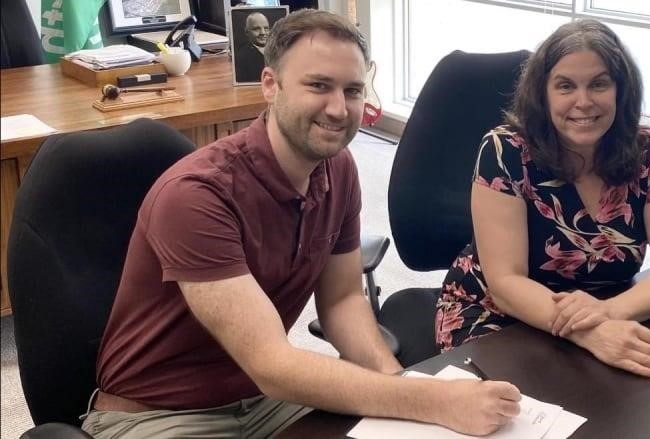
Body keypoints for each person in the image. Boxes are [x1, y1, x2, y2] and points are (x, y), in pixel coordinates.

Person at [81, 9, 521, 438]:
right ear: (270, 85)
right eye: (318, 86)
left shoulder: (338, 168)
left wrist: (401, 386)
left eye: (352, 90)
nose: (338, 108)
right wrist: (434, 401)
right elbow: (271, 364)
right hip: (157, 415)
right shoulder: (196, 195)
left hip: (261, 401)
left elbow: (343, 301)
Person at [435, 19, 650, 379]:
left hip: (608, 310)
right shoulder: (506, 151)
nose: (583, 101)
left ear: (621, 90)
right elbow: (506, 285)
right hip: (497, 315)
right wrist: (590, 332)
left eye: (599, 84)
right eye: (565, 86)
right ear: (542, 94)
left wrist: (606, 314)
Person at [234, 11, 270, 82]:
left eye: (266, 28)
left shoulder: (279, 49)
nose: (263, 33)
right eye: (256, 29)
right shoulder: (241, 57)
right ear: (247, 32)